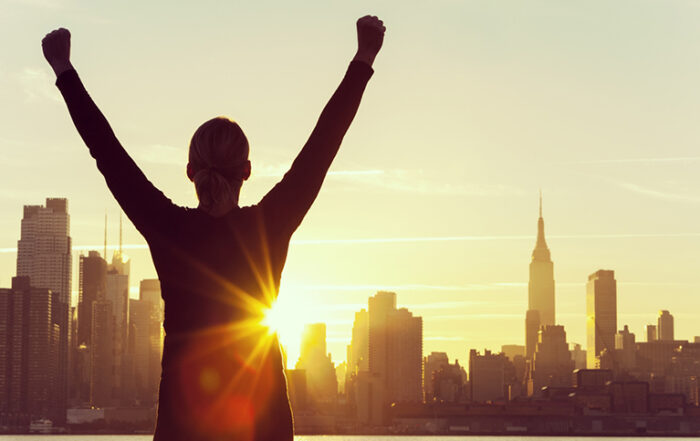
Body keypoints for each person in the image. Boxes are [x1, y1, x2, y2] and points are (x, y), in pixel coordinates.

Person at [42, 15, 385, 441]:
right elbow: (322, 146)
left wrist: (64, 71)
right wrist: (363, 59)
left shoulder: (170, 229)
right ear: (247, 170)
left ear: (190, 171)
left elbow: (108, 153)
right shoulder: (269, 226)